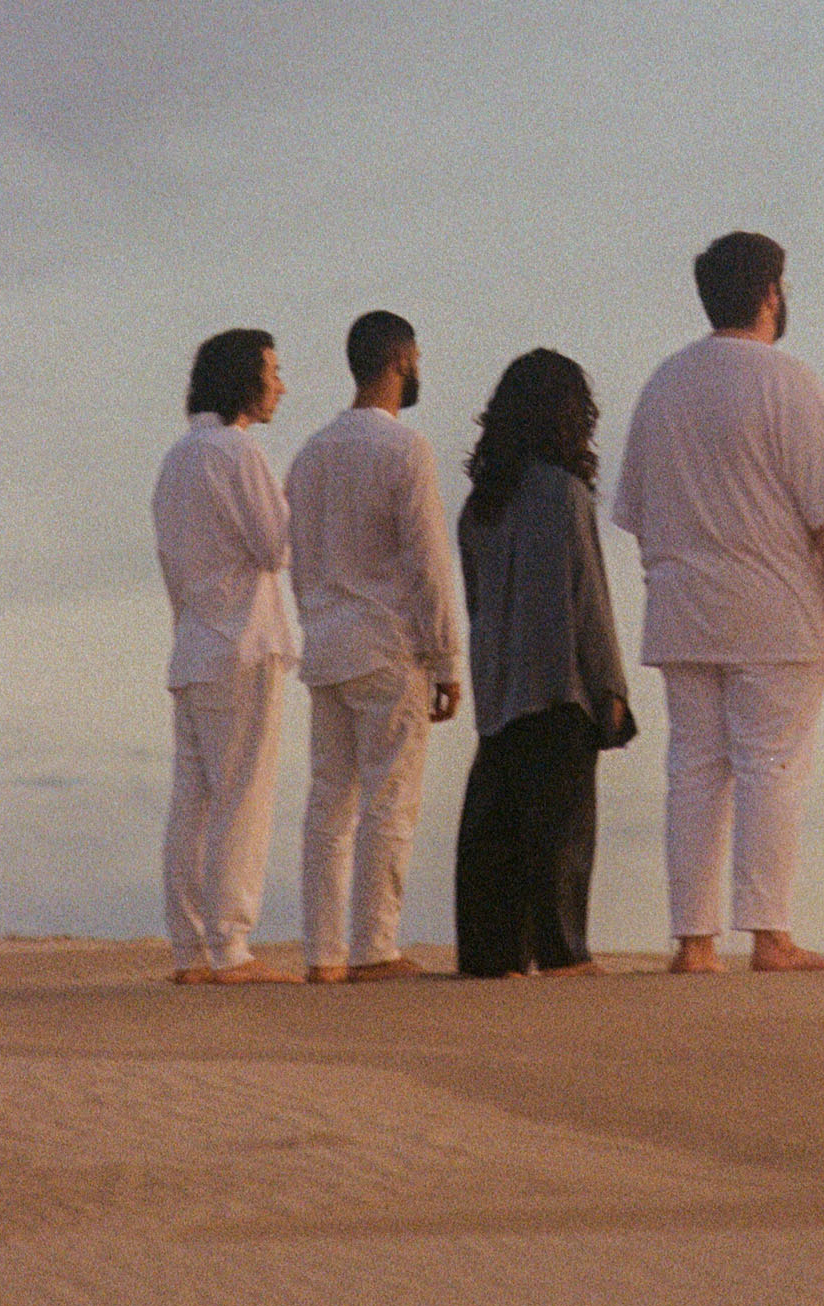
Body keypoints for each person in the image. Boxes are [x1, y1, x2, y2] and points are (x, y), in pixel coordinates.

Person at [612, 232, 824, 974]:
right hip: (774, 610)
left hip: (683, 608)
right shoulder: (789, 381)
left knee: (693, 769)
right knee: (770, 767)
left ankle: (693, 941)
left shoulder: (663, 384)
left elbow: (635, 512)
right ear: (769, 294)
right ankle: (769, 934)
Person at [287, 311, 461, 983]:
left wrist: (314, 619)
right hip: (386, 645)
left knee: (329, 802)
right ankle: (373, 946)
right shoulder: (404, 449)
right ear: (400, 360)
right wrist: (445, 656)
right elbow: (427, 561)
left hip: (326, 643)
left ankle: (323, 952)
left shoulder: (310, 454)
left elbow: (300, 557)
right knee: (389, 798)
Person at [455, 349, 636, 977]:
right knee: (562, 831)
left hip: (499, 692)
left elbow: (477, 604)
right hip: (559, 685)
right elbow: (589, 599)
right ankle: (563, 953)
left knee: (497, 829)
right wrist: (611, 687)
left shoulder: (479, 507)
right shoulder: (564, 494)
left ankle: (492, 955)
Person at [153, 327, 299, 985]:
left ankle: (191, 950)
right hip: (242, 643)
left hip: (193, 646)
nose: (280, 386)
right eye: (272, 371)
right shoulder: (238, 451)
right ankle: (231, 947)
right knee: (242, 797)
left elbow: (171, 565)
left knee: (193, 804)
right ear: (245, 379)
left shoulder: (176, 460)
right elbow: (276, 547)